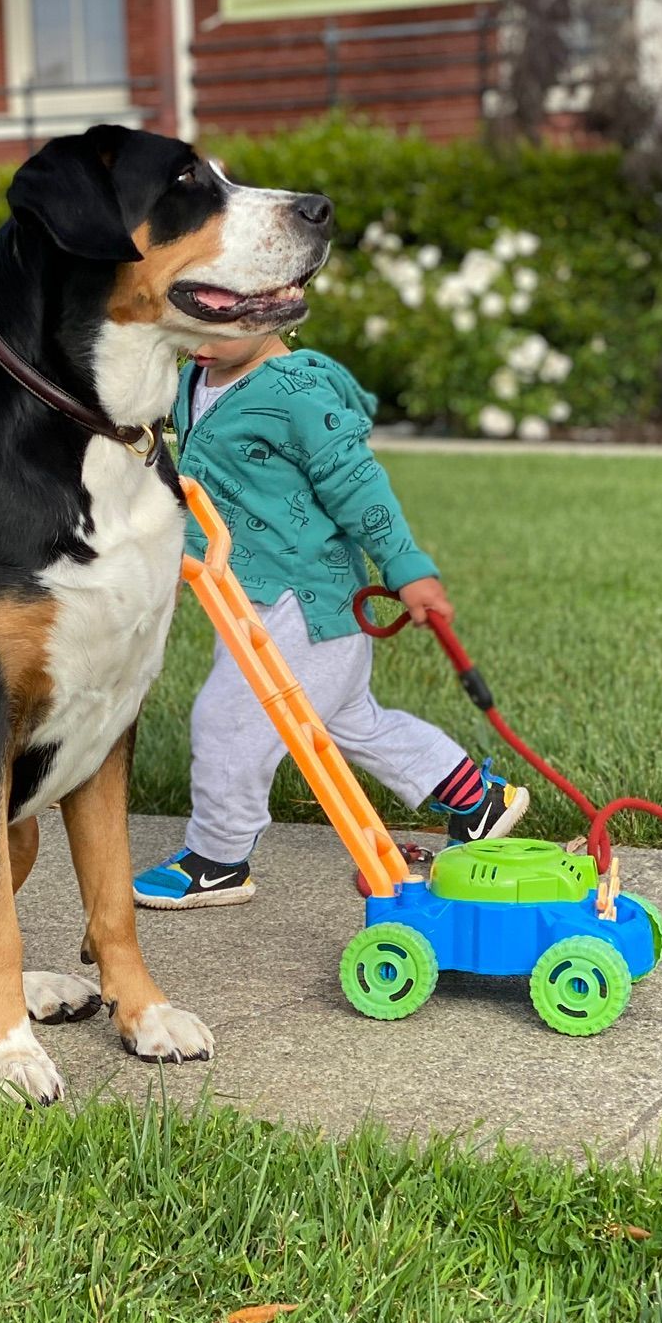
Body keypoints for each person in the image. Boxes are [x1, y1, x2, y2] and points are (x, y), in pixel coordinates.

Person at [133, 329, 527, 909]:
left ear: (276, 307)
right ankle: (476, 796)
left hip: (303, 603)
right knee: (349, 720)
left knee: (230, 722)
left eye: (222, 327)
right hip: (247, 597)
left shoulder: (300, 393)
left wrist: (406, 568)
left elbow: (358, 485)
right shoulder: (194, 375)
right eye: (195, 322)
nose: (200, 341)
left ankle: (218, 858)